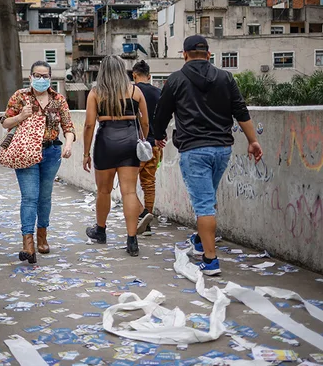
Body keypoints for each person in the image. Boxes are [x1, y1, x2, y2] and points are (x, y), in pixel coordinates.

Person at [153, 35, 263, 276]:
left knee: (204, 205)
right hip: (222, 150)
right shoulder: (226, 77)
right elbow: (240, 111)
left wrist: (157, 135)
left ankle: (210, 260)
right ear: (209, 54)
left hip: (194, 150)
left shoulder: (176, 79)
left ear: (184, 54)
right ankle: (202, 241)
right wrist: (253, 140)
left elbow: (162, 113)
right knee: (208, 197)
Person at [1, 61, 75, 264]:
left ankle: (42, 236)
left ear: (50, 78)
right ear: (30, 76)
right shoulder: (20, 96)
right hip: (25, 152)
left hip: (51, 152)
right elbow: (5, 122)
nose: (41, 79)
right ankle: (28, 243)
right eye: (37, 75)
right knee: (29, 197)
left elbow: (68, 126)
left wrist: (68, 144)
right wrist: (21, 116)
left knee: (45, 197)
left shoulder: (58, 99)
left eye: (45, 76)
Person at [82, 55, 150, 256]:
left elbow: (88, 125)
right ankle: (132, 241)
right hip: (130, 141)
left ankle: (101, 231)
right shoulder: (135, 91)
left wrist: (86, 153)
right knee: (129, 192)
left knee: (104, 191)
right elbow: (145, 123)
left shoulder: (95, 93)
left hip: (105, 142)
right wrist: (143, 139)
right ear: (123, 70)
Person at [131, 60, 162, 236]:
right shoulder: (159, 92)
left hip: (135, 145)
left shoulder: (132, 93)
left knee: (128, 186)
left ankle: (142, 214)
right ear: (149, 76)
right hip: (154, 146)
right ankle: (147, 221)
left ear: (134, 75)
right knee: (149, 184)